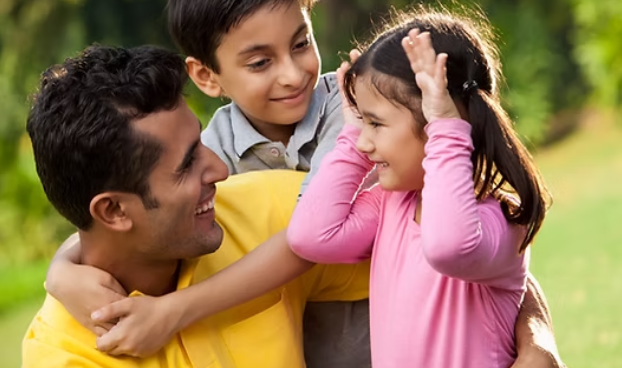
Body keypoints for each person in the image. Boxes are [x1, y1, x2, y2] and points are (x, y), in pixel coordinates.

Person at [46, 0, 564, 367]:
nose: (294, 75)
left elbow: (325, 239)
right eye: (259, 63)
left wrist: (176, 311)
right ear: (206, 76)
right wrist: (63, 269)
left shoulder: (357, 114)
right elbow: (133, 219)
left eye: (301, 43)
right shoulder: (215, 150)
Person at [22, 44, 369, 368]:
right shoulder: (63, 355)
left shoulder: (266, 209)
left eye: (201, 142)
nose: (220, 170)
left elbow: (398, 221)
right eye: (187, 164)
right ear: (114, 211)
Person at [287, 5, 553, 367]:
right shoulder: (391, 204)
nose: (364, 142)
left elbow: (447, 248)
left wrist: (446, 129)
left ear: (437, 123)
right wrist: (350, 137)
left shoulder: (502, 221)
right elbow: (311, 235)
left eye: (375, 124)